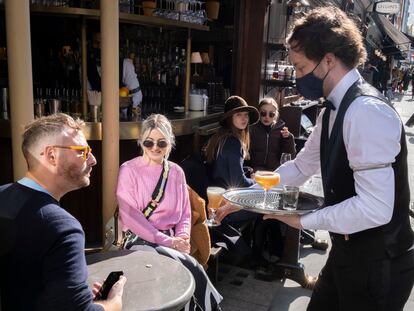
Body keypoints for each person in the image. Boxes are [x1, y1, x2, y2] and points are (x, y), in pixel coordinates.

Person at [263, 7, 414, 310]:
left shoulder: (366, 112)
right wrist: (250, 194)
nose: (297, 78)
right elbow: (302, 166)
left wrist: (302, 220)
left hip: (379, 265)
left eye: (301, 67)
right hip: (346, 253)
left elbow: (375, 209)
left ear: (328, 60)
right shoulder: (331, 109)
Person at [0, 114, 126, 311]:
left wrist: (74, 293)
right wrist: (114, 302)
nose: (92, 160)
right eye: (82, 151)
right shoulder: (62, 227)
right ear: (52, 156)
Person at [116, 114, 222, 311]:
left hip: (171, 237)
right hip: (139, 238)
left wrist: (182, 237)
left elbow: (184, 213)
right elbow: (132, 217)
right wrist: (169, 242)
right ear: (141, 142)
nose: (155, 147)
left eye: (161, 142)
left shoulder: (176, 172)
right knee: (187, 267)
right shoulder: (128, 170)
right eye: (149, 142)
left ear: (170, 143)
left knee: (186, 270)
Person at [87, 32, 143, 109]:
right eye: (97, 43)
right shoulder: (87, 66)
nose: (100, 46)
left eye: (103, 42)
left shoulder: (125, 65)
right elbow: (87, 94)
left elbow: (137, 95)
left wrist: (122, 109)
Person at [249, 97, 296, 171]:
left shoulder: (281, 131)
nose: (267, 117)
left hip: (275, 171)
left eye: (271, 114)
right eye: (263, 113)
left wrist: (288, 138)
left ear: (275, 116)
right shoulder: (251, 129)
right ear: (258, 113)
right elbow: (245, 155)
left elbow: (290, 157)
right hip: (255, 171)